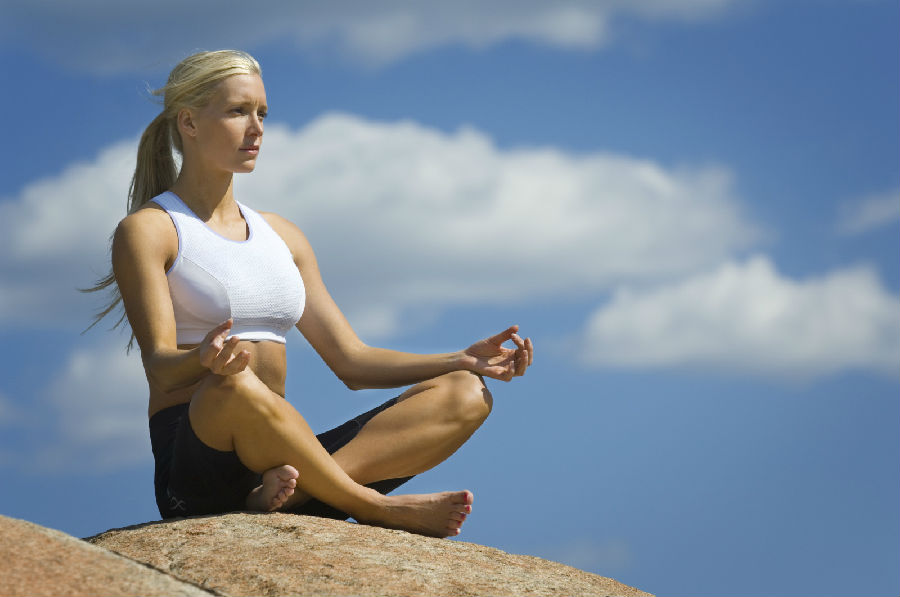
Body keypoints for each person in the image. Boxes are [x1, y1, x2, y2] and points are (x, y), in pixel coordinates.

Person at [88, 49, 533, 539]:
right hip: (198, 461)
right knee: (233, 385)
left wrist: (461, 360)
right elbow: (160, 366)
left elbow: (353, 362)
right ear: (189, 123)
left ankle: (287, 498)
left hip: (281, 462)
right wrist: (205, 362)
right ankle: (372, 506)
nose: (256, 128)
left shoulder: (283, 236)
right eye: (238, 111)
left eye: (262, 113)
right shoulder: (151, 230)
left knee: (466, 395)